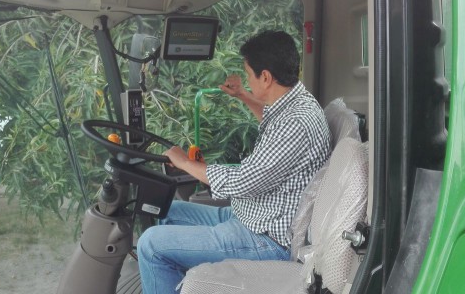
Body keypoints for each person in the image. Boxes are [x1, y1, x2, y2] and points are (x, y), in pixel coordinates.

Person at [137, 30, 331, 294]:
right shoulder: (297, 102)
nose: (248, 81)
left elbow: (243, 181)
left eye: (249, 75)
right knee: (165, 211)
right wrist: (242, 95)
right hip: (253, 215)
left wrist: (185, 164)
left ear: (265, 77)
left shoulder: (296, 122)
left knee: (150, 245)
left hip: (267, 240)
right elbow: (274, 126)